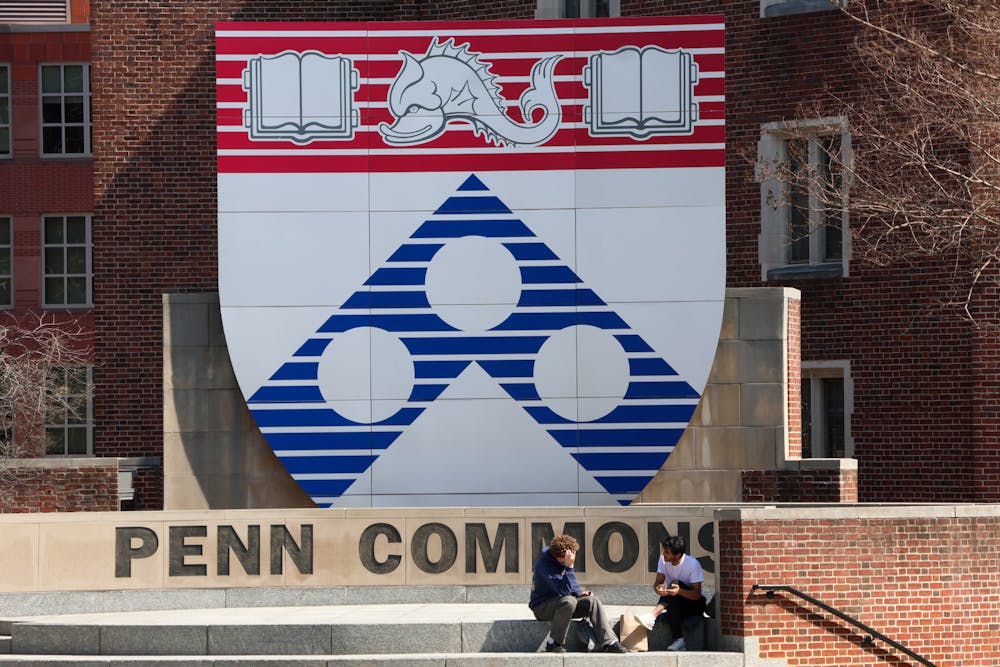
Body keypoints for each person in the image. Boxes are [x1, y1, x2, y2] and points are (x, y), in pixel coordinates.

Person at [528, 534, 628, 653]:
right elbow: (563, 592)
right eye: (571, 555)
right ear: (560, 556)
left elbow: (572, 585)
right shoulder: (544, 566)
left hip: (561, 605)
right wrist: (569, 566)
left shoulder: (561, 561)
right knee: (569, 601)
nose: (573, 557)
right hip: (542, 608)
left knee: (592, 601)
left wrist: (579, 593)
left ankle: (609, 642)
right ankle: (553, 642)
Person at [636, 535, 707, 651]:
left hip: (695, 605)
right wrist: (659, 589)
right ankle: (679, 640)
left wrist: (679, 591)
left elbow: (697, 595)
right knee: (673, 592)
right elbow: (658, 582)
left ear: (677, 555)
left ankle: (652, 616)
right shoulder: (663, 559)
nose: (663, 554)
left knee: (675, 583)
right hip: (675, 602)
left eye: (667, 552)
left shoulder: (692, 564)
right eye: (664, 551)